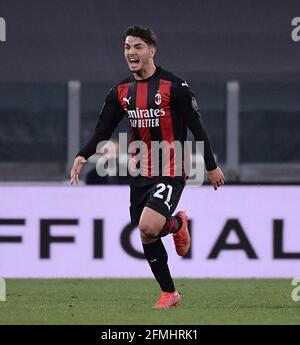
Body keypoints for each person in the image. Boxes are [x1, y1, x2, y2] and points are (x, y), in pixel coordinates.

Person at [70, 25, 225, 309]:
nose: (131, 52)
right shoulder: (120, 92)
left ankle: (174, 232)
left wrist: (212, 166)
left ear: (152, 51)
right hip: (141, 172)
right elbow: (102, 131)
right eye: (127, 47)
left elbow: (197, 128)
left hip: (172, 168)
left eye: (138, 46)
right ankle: (170, 289)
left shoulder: (175, 87)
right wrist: (83, 155)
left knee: (147, 225)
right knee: (146, 232)